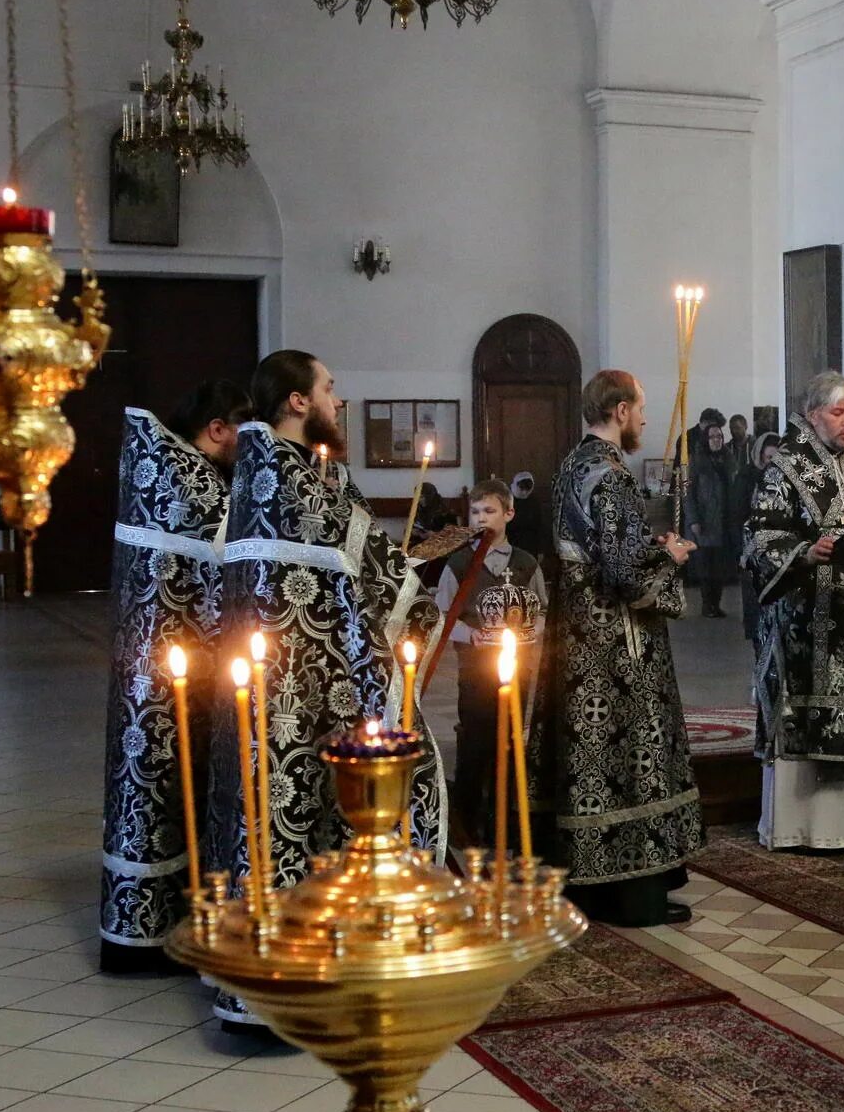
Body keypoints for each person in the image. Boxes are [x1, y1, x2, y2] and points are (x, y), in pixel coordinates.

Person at [205, 351, 444, 1028]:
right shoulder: (296, 475)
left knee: (262, 817)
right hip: (306, 690)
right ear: (297, 401)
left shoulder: (252, 469)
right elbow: (365, 569)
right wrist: (414, 580)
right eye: (330, 389)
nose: (339, 401)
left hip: (261, 685)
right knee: (318, 807)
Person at [537, 370, 705, 927]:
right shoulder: (608, 475)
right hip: (614, 639)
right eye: (640, 408)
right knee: (630, 755)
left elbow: (604, 545)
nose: (646, 418)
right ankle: (633, 892)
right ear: (620, 410)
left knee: (590, 760)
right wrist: (671, 557)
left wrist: (648, 544)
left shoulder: (571, 467)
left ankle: (593, 886)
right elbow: (627, 571)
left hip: (577, 632)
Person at [100, 380, 250, 974]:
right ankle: (156, 934)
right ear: (217, 428)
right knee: (166, 783)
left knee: (163, 788)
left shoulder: (174, 469)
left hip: (159, 662)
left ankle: (159, 922)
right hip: (171, 668)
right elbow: (234, 562)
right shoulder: (190, 480)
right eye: (244, 432)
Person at [744, 371, 844, 851]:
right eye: (838, 413)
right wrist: (804, 554)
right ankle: (803, 829)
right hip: (810, 625)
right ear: (814, 414)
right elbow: (761, 537)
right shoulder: (787, 467)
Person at [435, 478, 547, 852]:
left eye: (490, 511)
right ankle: (468, 823)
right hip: (476, 668)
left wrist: (531, 633)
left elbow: (541, 608)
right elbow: (442, 616)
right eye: (476, 511)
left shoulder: (527, 563)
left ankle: (507, 824)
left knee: (512, 740)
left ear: (509, 513)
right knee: (477, 741)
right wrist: (473, 637)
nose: (481, 517)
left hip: (517, 667)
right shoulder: (460, 562)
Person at [684, 422, 738, 617]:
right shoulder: (697, 461)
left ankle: (717, 604)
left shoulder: (728, 460)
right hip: (705, 521)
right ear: (706, 440)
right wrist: (693, 520)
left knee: (720, 566)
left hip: (724, 521)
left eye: (720, 437)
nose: (717, 440)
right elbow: (688, 493)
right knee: (706, 566)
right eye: (713, 436)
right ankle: (708, 605)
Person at [737, 432, 780, 643]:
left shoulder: (782, 480)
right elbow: (737, 510)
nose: (772, 463)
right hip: (751, 544)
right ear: (760, 456)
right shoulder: (746, 476)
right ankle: (755, 632)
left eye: (776, 458)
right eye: (768, 458)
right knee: (753, 593)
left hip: (775, 545)